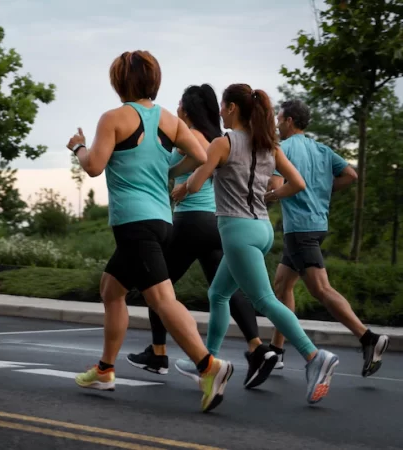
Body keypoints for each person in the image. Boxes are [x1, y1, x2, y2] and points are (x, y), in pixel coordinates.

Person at [65, 50, 234, 412]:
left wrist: (78, 147)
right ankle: (106, 369)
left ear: (119, 81)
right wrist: (170, 173)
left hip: (134, 223)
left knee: (161, 299)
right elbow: (203, 156)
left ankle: (209, 366)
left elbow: (94, 166)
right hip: (161, 220)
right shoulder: (170, 121)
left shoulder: (113, 118)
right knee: (111, 290)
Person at [174, 84, 339, 405]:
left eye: (223, 105)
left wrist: (180, 190)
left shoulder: (224, 143)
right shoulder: (268, 145)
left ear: (233, 108)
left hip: (237, 230)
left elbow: (195, 182)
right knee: (218, 293)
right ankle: (208, 361)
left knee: (264, 300)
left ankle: (314, 356)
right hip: (262, 229)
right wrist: (270, 196)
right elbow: (298, 183)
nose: (219, 111)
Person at [126, 83, 278, 389]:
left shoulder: (192, 137)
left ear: (189, 109)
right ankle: (257, 348)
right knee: (224, 291)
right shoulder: (214, 138)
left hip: (191, 222)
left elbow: (170, 169)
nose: (177, 107)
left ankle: (158, 354)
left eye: (181, 103)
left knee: (157, 285)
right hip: (215, 224)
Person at [268, 99, 389, 376]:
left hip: (300, 229)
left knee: (320, 289)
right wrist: (322, 190)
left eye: (279, 119)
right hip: (317, 225)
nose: (276, 124)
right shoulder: (321, 149)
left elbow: (275, 187)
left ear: (288, 121)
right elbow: (350, 174)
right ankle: (276, 350)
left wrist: (266, 194)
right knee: (282, 284)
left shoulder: (283, 149)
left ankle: (368, 337)